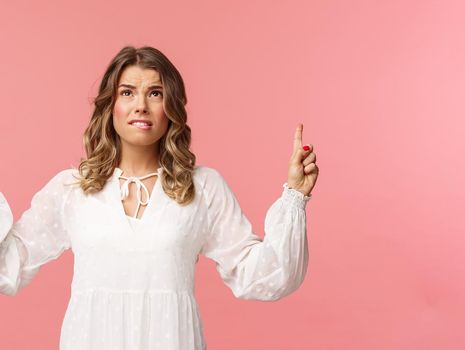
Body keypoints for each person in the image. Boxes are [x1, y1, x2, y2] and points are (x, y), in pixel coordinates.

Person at [0, 45, 319, 349]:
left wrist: (294, 196)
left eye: (155, 93)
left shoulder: (203, 188)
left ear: (172, 107)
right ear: (110, 106)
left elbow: (263, 274)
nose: (141, 105)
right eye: (127, 92)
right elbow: (11, 262)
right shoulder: (72, 189)